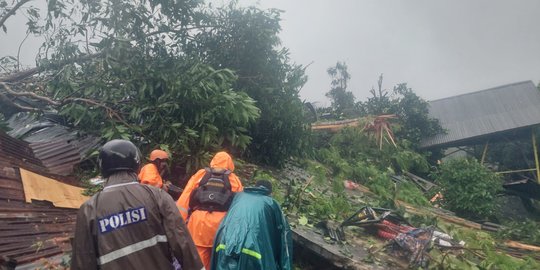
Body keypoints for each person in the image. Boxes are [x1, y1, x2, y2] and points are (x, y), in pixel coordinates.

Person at [71, 139, 203, 270]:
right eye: (162, 161)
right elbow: (183, 244)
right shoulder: (157, 196)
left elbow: (82, 261)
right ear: (137, 163)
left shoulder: (89, 209)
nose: (164, 164)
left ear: (102, 167)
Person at [177, 151, 243, 270]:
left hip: (198, 225)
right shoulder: (234, 179)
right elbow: (239, 207)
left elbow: (184, 199)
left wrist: (179, 222)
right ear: (230, 164)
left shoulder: (200, 175)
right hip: (221, 226)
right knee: (219, 261)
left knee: (198, 262)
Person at [210, 180, 292, 270]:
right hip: (254, 250)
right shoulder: (272, 203)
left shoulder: (238, 196)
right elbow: (284, 238)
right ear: (270, 193)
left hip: (226, 244)